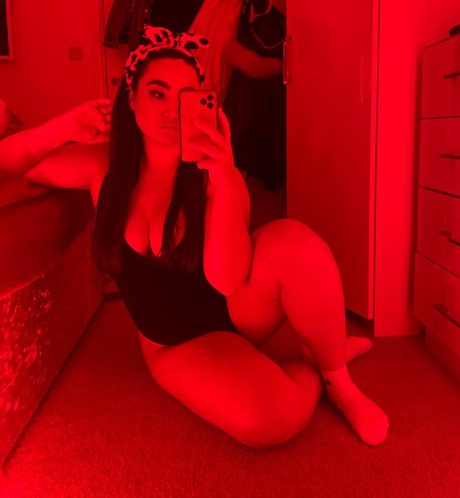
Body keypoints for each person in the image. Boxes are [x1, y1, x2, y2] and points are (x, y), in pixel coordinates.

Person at [0, 26, 388, 448]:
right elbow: (11, 164)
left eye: (186, 96)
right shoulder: (101, 167)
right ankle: (313, 361)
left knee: (298, 243)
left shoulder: (215, 172)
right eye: (158, 93)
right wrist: (66, 125)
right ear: (132, 99)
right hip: (174, 344)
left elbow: (228, 278)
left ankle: (338, 379)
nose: (172, 110)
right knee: (271, 420)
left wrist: (223, 174)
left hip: (235, 308)